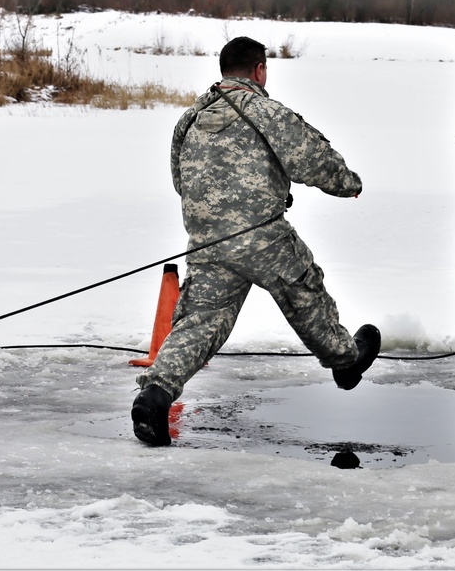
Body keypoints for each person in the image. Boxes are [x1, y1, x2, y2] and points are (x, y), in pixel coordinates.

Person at [132, 36, 381, 446]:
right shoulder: (266, 111)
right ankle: (345, 361)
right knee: (305, 291)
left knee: (200, 322)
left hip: (207, 241)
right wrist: (348, 184)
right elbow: (311, 157)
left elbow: (181, 180)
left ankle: (155, 395)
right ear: (259, 70)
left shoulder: (189, 119)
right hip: (261, 235)